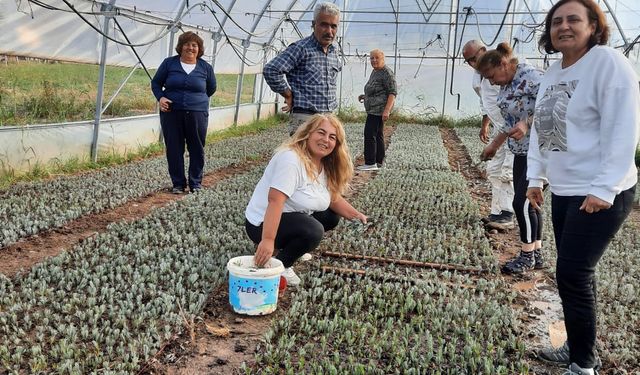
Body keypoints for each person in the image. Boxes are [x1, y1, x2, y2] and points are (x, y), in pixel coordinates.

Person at [526, 1, 639, 373]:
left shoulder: (608, 63)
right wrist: (536, 178)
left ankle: (582, 364)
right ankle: (578, 347)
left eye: (574, 19)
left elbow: (623, 129)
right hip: (566, 188)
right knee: (576, 272)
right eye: (556, 21)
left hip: (602, 192)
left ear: (594, 25)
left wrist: (604, 188)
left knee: (572, 274)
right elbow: (542, 131)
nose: (564, 26)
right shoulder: (553, 73)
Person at [245, 114, 367, 285]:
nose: (326, 140)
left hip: (289, 217)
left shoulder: (323, 163)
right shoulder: (291, 159)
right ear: (308, 133)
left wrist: (356, 215)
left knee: (331, 216)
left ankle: (294, 247)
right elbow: (275, 201)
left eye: (332, 137)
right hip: (261, 223)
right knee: (313, 230)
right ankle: (281, 266)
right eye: (321, 133)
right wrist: (267, 240)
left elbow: (332, 198)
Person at [477, 42, 545, 274]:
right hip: (521, 151)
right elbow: (508, 123)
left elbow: (554, 106)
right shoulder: (507, 85)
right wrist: (494, 145)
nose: (491, 82)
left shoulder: (531, 77)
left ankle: (526, 256)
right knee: (530, 203)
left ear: (503, 64)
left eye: (491, 76)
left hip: (538, 150)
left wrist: (528, 123)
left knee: (522, 202)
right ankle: (536, 252)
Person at [151, 31, 216, 194]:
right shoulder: (169, 64)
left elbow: (211, 88)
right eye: (187, 44)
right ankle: (178, 184)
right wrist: (161, 98)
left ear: (199, 49)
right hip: (172, 113)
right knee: (174, 148)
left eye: (194, 45)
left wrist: (196, 100)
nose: (190, 48)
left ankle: (195, 183)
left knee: (197, 148)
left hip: (197, 114)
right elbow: (156, 83)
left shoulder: (205, 68)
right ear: (180, 47)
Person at [263, 2, 342, 135]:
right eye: (324, 24)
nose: (329, 31)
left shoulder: (333, 52)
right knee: (302, 155)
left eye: (333, 26)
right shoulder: (301, 48)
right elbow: (271, 70)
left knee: (325, 155)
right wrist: (288, 94)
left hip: (328, 117)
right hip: (306, 118)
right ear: (314, 24)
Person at [462, 40, 515, 229]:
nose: (472, 64)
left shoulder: (502, 67)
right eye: (468, 61)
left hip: (514, 130)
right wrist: (485, 125)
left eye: (473, 58)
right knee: (494, 171)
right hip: (498, 130)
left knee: (507, 172)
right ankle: (496, 212)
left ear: (484, 51)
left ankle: (508, 214)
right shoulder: (478, 77)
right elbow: (485, 103)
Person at [356, 49, 397, 171]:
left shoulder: (386, 73)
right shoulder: (376, 71)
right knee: (378, 134)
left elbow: (392, 93)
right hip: (374, 108)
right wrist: (365, 96)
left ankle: (370, 163)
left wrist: (387, 110)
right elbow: (377, 90)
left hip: (378, 110)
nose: (374, 60)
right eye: (371, 58)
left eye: (376, 58)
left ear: (383, 58)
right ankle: (379, 161)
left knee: (369, 134)